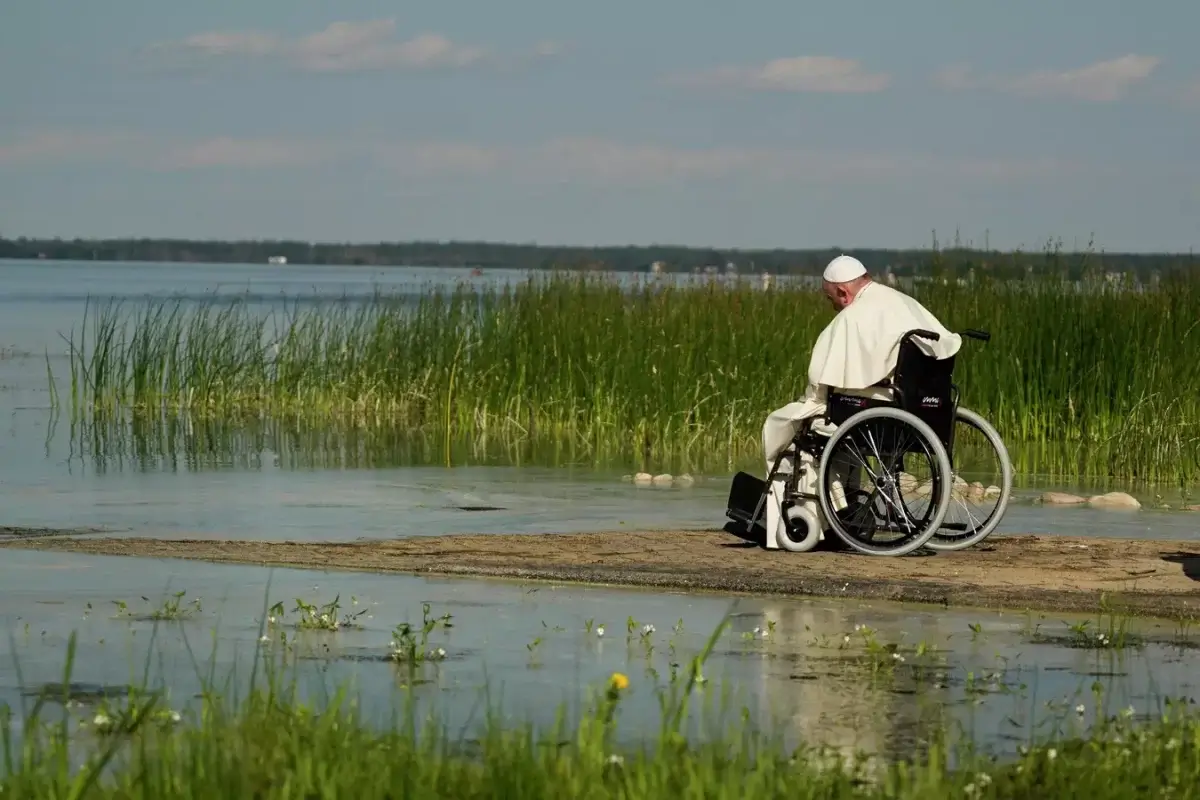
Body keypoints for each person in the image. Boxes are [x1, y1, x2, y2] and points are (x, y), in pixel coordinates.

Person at [758, 255, 961, 545]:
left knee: (782, 423)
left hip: (878, 412)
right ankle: (840, 511)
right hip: (920, 409)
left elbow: (821, 382)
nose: (834, 306)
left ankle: (801, 518)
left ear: (842, 293)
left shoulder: (853, 317)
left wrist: (813, 399)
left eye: (832, 300)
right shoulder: (902, 302)